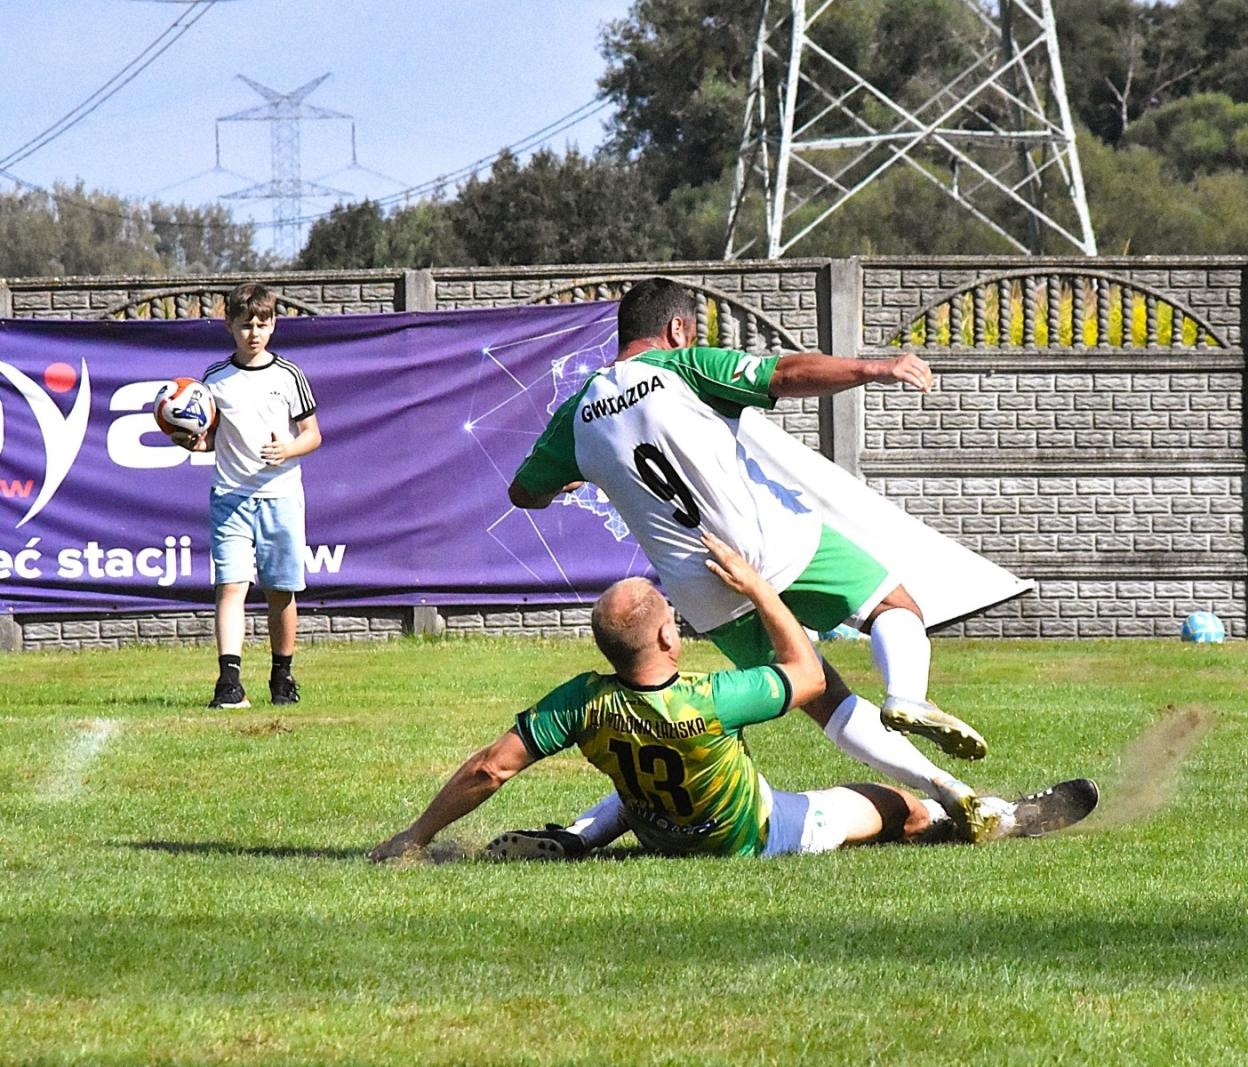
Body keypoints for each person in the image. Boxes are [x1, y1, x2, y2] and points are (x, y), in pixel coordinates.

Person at [506, 278, 997, 839]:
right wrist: (874, 370)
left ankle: (946, 789)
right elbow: (784, 375)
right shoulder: (684, 365)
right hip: (776, 542)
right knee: (891, 604)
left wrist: (562, 482)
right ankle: (906, 695)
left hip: (706, 587)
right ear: (676, 329)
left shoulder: (576, 415)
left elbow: (523, 492)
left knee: (820, 696)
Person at [370, 533, 1092, 863]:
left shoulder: (581, 702)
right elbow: (808, 676)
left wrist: (414, 837)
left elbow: (489, 768)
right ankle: (981, 816)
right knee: (883, 804)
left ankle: (579, 835)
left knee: (633, 777)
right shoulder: (713, 697)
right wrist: (760, 589)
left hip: (655, 825)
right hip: (750, 834)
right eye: (671, 618)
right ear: (667, 641)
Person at [168, 282, 321, 709]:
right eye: (245, 324)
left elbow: (312, 435)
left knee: (280, 590)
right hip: (230, 497)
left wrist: (287, 448)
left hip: (281, 497)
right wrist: (191, 443)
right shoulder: (215, 380)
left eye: (262, 323)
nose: (254, 332)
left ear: (273, 325)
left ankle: (282, 676)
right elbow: (210, 439)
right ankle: (229, 682)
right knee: (230, 586)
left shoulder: (289, 377)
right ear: (229, 325)